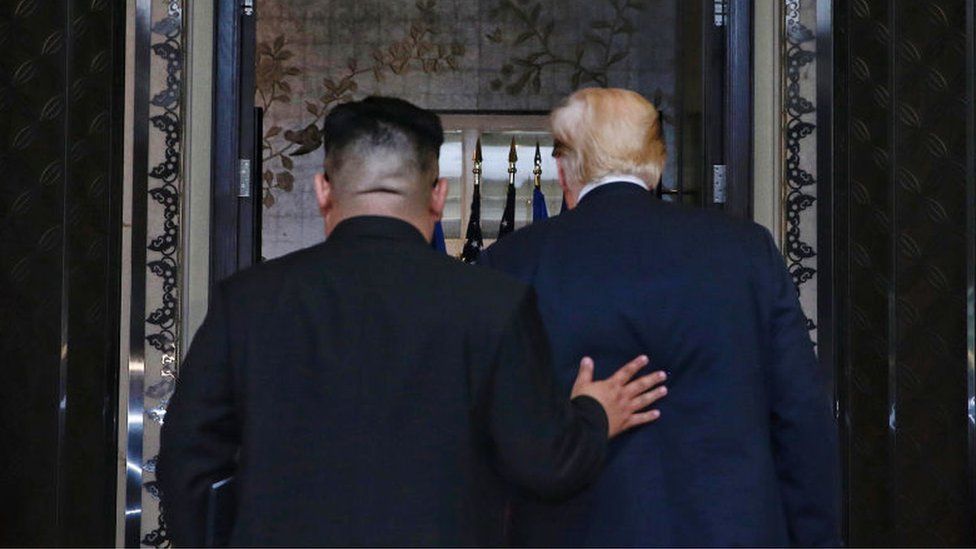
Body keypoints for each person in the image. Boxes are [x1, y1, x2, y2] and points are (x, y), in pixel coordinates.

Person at [157, 96, 669, 546]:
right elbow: (543, 464)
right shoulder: (494, 303)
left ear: (322, 190)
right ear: (439, 195)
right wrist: (593, 413)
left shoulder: (247, 301)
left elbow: (187, 460)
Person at [479, 88, 840, 547]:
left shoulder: (511, 264)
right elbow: (801, 419)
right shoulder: (745, 252)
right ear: (658, 163)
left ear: (564, 168)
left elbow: (497, 440)